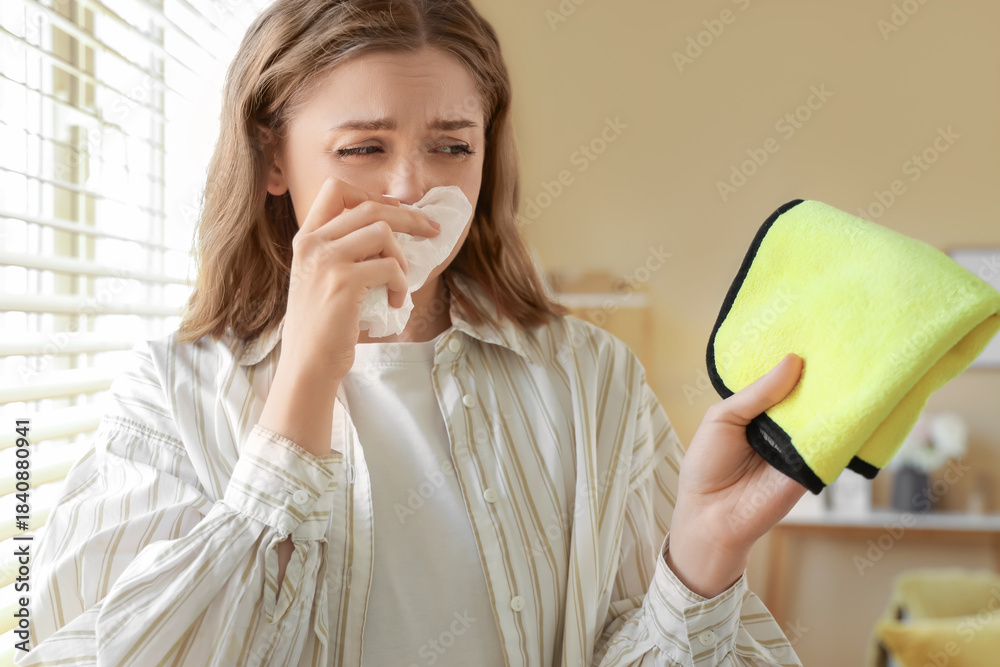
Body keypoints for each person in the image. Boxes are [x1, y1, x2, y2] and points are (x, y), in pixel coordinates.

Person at [18, 0, 809, 665]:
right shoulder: (170, 394)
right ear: (272, 158)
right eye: (364, 148)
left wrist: (702, 557)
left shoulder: (591, 378)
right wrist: (298, 395)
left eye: (452, 146)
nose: (411, 185)